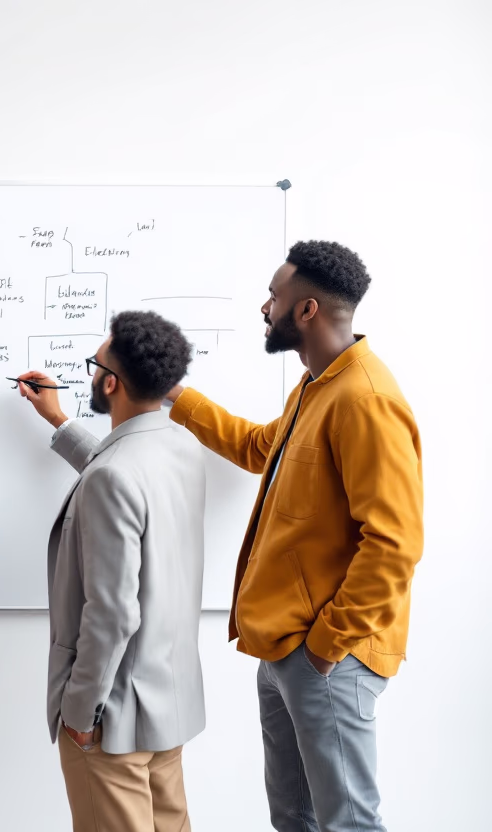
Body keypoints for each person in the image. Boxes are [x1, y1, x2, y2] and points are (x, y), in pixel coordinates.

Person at [166, 241, 423, 832]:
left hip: (330, 655)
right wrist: (177, 395)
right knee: (295, 819)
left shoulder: (366, 399)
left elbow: (395, 541)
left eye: (274, 296)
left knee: (347, 822)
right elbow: (262, 448)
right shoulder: (317, 386)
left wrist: (328, 644)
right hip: (286, 647)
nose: (265, 306)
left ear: (305, 310)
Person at [16, 311, 205, 832]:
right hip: (168, 706)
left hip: (111, 719)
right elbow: (123, 472)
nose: (91, 373)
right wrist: (60, 421)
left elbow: (113, 612)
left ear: (111, 383)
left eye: (94, 364)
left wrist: (79, 713)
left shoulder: (113, 475)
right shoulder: (183, 448)